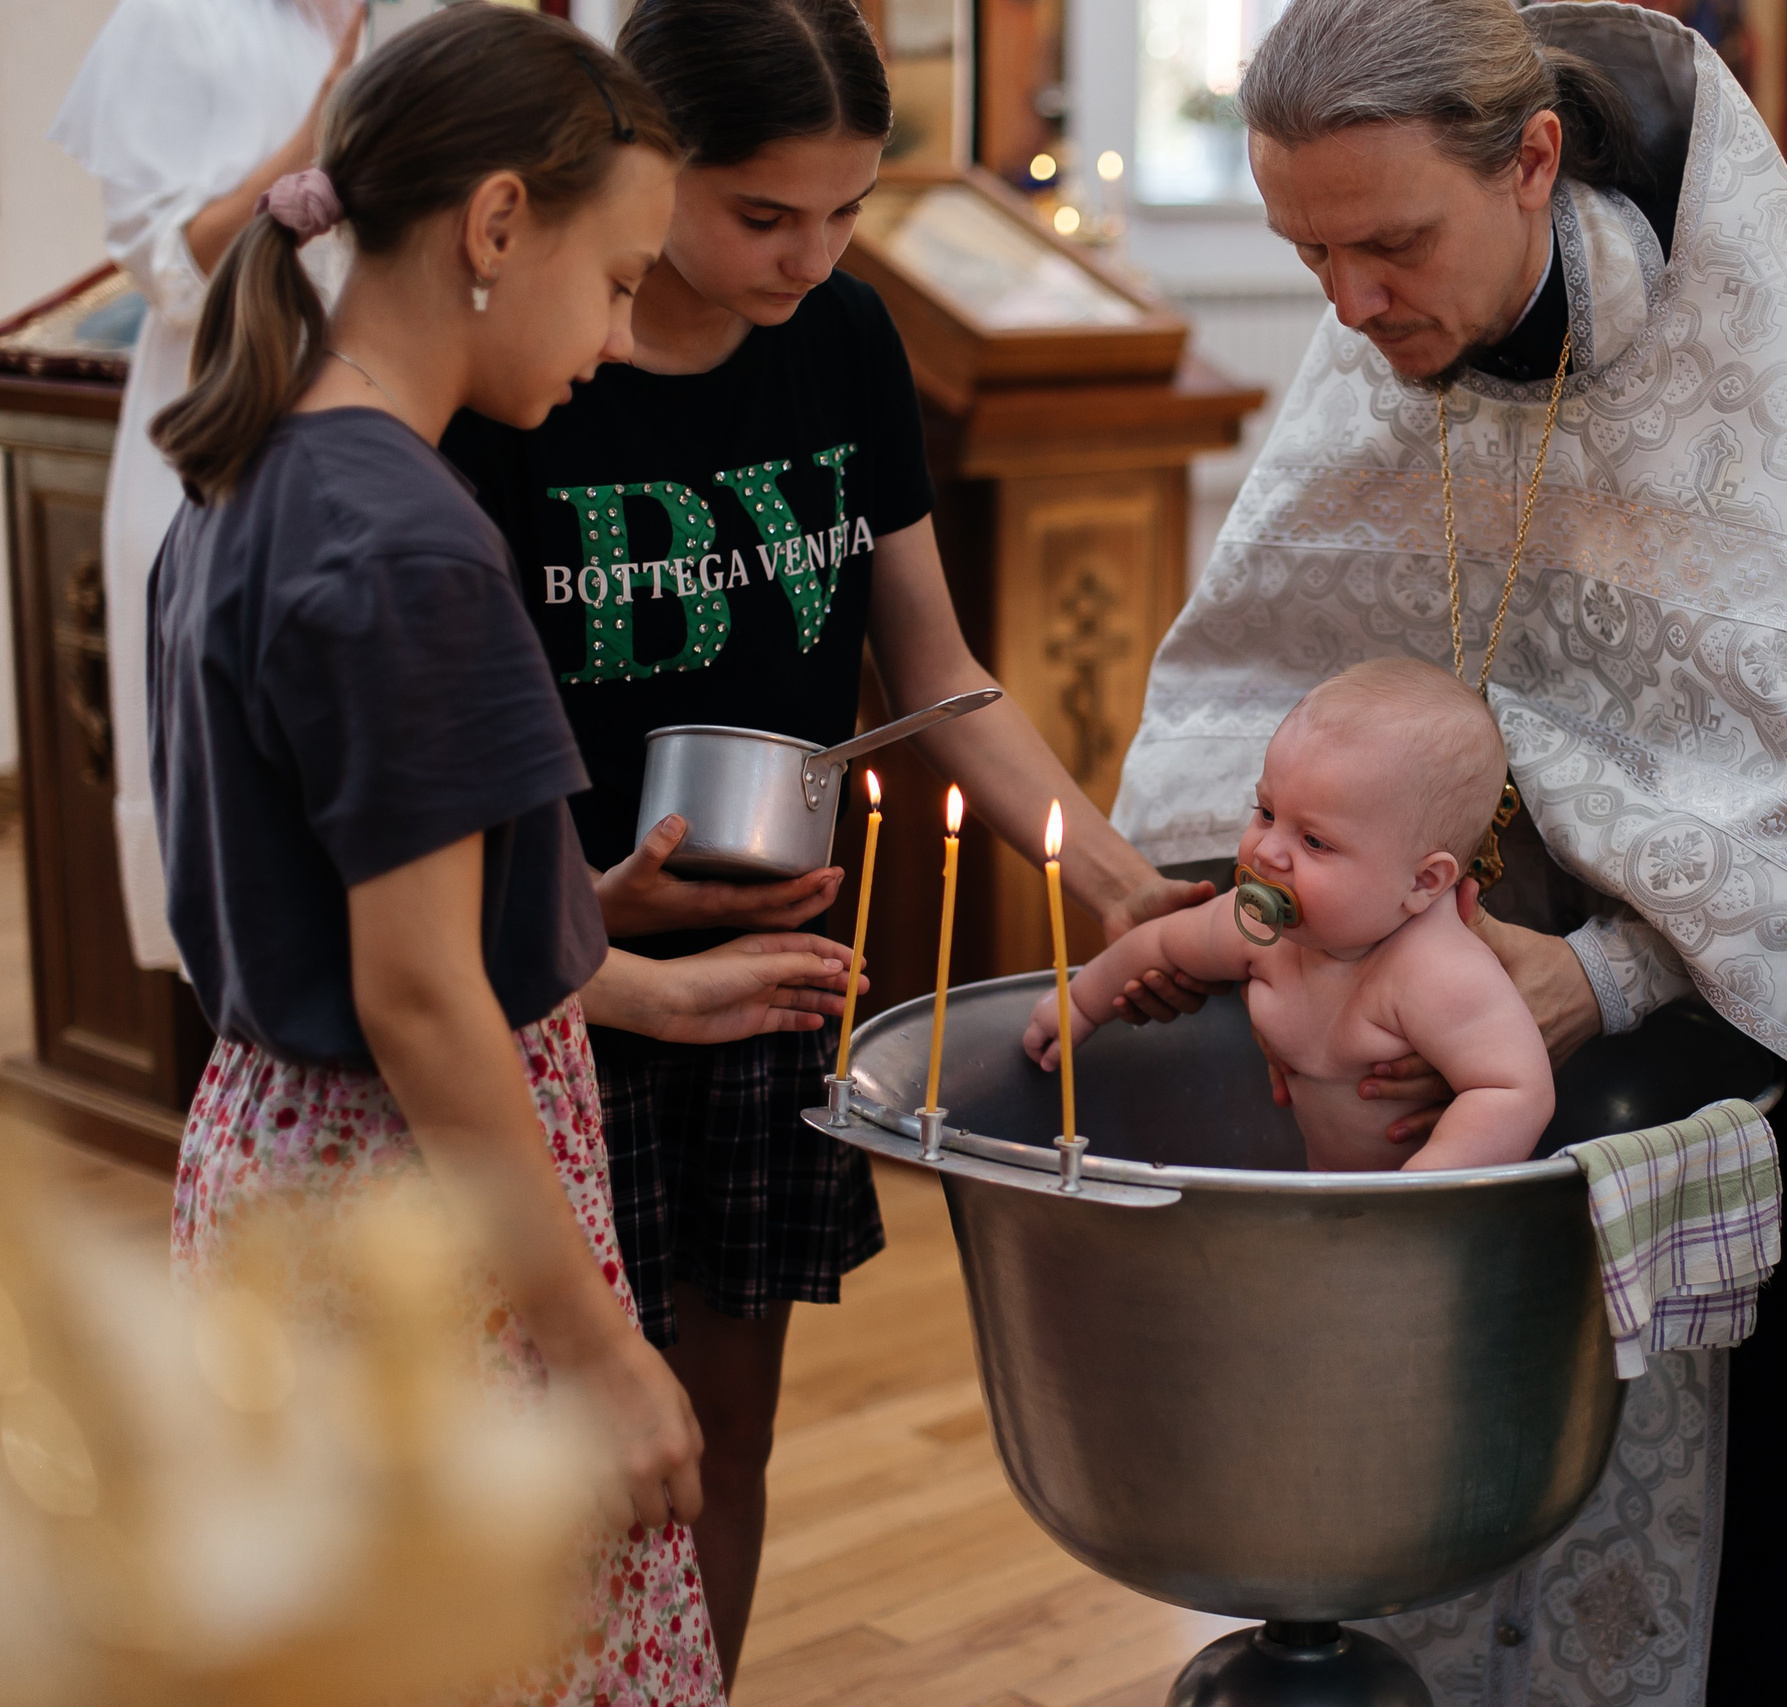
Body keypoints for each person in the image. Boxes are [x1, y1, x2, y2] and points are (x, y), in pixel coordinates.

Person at [1109, 0, 1787, 1700]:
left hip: (1732, 1084)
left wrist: (1603, 970)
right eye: (1305, 250)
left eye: (1390, 243)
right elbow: (1268, 666)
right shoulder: (1376, 361)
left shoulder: (1749, 398)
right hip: (1433, 1079)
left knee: (1744, 1596)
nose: (1350, 307)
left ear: (1533, 160)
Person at [435, 0, 1210, 1679]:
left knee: (720, 1425)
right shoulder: (520, 371)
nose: (809, 256)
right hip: (548, 970)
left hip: (768, 974)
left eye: (849, 210)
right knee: (543, 1438)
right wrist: (579, 916)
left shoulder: (848, 342)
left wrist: (1119, 876)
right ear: (646, 161)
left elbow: (935, 676)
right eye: (763, 215)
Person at [144, 8, 867, 1700]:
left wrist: (578, 928)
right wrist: (606, 1352)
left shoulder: (258, 470)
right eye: (614, 281)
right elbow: (411, 995)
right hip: (416, 1211)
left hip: (275, 1167)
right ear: (491, 227)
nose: (618, 340)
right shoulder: (412, 543)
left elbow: (337, 887)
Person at [51, 0, 366, 973]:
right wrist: (326, 123)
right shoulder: (177, 20)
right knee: (250, 838)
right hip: (229, 435)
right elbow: (170, 267)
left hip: (374, 428)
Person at [1029, 658, 1551, 1172]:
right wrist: (1082, 1001)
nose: (1267, 853)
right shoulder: (1260, 930)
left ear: (1422, 882)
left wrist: (1418, 1196)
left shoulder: (1440, 971)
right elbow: (1161, 943)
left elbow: (1514, 1091)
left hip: (1420, 1233)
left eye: (1315, 841)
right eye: (1267, 812)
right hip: (1321, 1196)